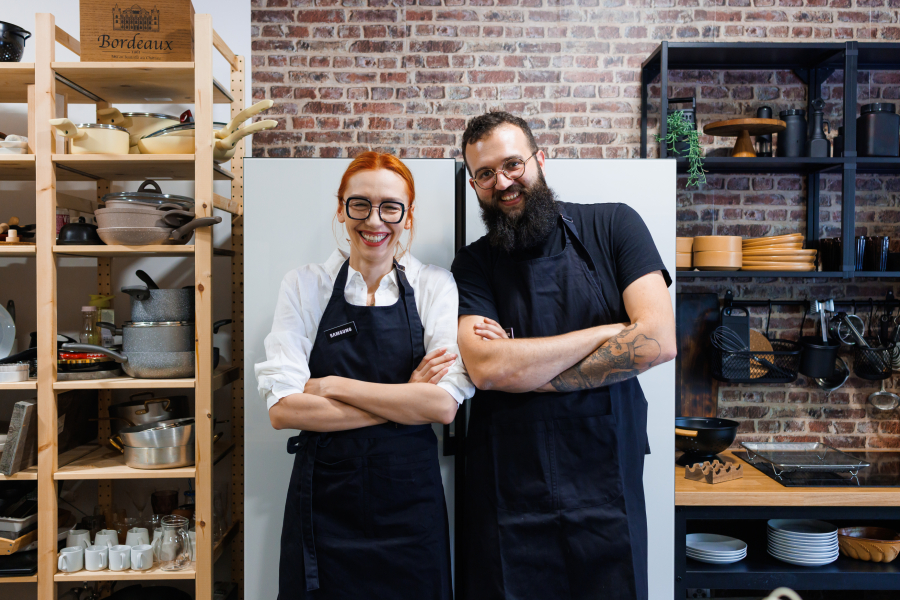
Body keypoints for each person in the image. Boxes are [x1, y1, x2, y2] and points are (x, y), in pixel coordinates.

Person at [451, 112, 676, 600]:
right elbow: (488, 368)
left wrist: (531, 371)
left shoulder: (614, 225)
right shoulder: (472, 264)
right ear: (474, 185)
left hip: (606, 488)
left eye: (512, 164)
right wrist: (609, 333)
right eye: (485, 174)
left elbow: (658, 340)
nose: (502, 183)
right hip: (509, 492)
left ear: (540, 159)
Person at [256, 151, 474, 600]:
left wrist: (334, 386)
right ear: (341, 209)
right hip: (325, 506)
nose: (374, 221)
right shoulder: (304, 285)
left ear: (408, 216)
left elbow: (441, 406)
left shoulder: (434, 285)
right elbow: (284, 410)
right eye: (360, 204)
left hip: (411, 511)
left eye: (390, 207)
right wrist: (405, 398)